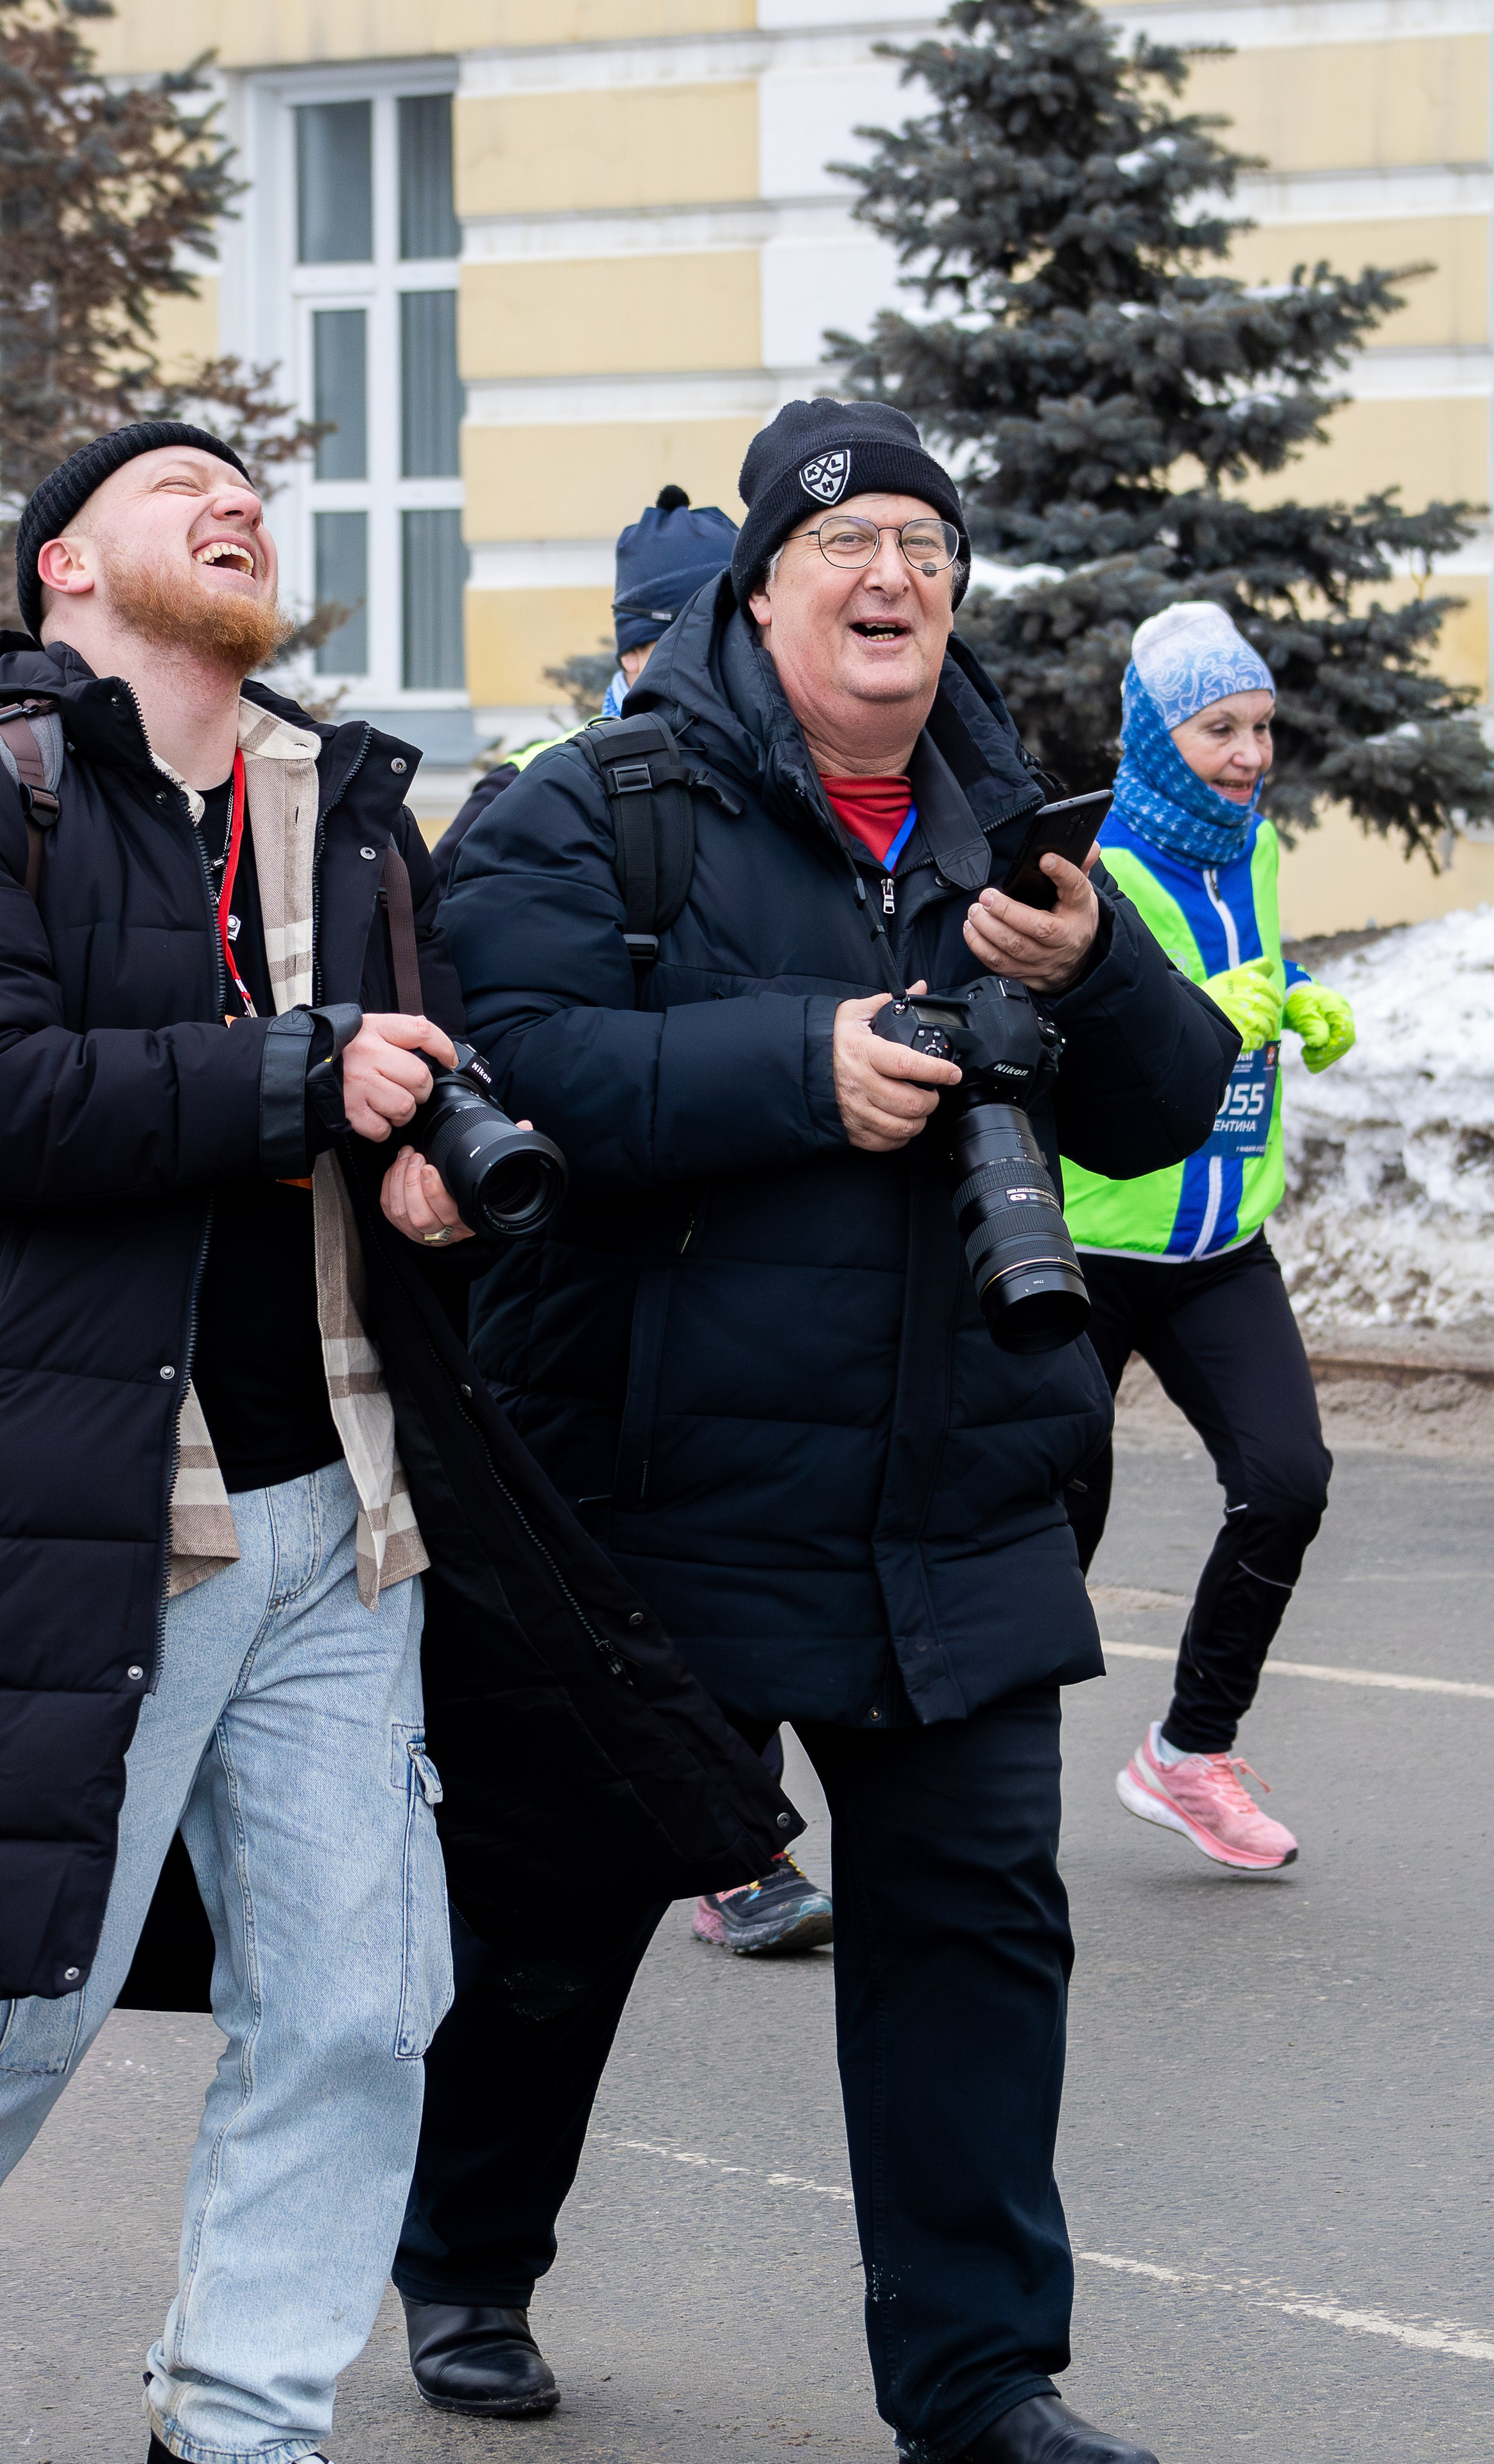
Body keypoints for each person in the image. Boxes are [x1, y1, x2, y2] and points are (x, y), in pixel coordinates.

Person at [0, 422, 792, 2464]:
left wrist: (430, 1194)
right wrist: (297, 1072)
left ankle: (243, 2421)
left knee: (361, 2013)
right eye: (174, 483)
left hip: (344, 1513)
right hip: (92, 1511)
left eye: (249, 489)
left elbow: (388, 1099)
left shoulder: (353, 817)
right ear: (64, 570)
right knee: (7, 2015)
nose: (234, 502)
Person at [391, 399, 1238, 2462]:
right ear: (759, 581)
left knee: (973, 1933)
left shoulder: (998, 826)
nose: (890, 581)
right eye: (846, 540)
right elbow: (505, 1059)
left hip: (945, 1491)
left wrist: (1099, 958)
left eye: (927, 553)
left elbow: (1161, 1101)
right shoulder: (595, 805)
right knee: (555, 1921)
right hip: (647, 1492)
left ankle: (977, 2380)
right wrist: (800, 1062)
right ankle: (465, 2255)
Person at [447, 479, 834, 1958]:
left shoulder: (781, 778)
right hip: (574, 1269)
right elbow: (492, 1021)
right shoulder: (552, 788)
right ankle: (715, 1845)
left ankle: (729, 1832)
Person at [1061, 603, 1355, 1872]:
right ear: (1155, 734)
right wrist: (1197, 1019)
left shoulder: (1259, 848)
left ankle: (1186, 1752)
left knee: (1287, 1481)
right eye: (1216, 729)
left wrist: (1297, 1003)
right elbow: (1083, 1049)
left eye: (1257, 728)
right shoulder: (1096, 869)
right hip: (1094, 1241)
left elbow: (1250, 972)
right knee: (1044, 1534)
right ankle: (923, 1795)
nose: (1245, 754)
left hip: (1216, 1241)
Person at [431, 484, 739, 890]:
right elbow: (429, 928)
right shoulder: (526, 786)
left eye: (735, 631)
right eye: (690, 632)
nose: (721, 653)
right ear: (631, 652)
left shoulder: (785, 764)